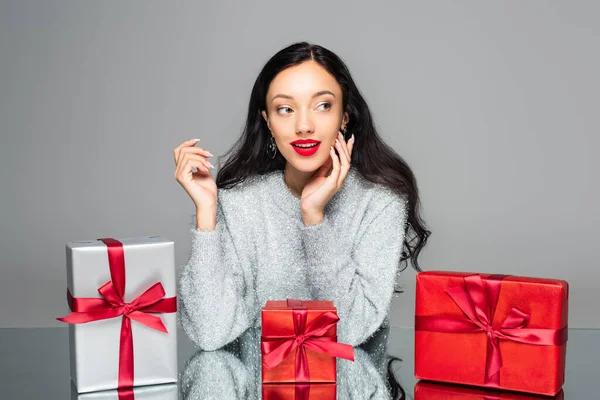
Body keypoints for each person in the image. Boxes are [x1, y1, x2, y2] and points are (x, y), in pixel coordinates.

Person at [173, 41, 430, 351]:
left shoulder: (380, 202)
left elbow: (349, 332)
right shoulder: (241, 202)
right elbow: (209, 333)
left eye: (323, 105)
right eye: (285, 109)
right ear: (267, 120)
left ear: (344, 116)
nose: (304, 126)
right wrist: (206, 212)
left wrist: (314, 218)